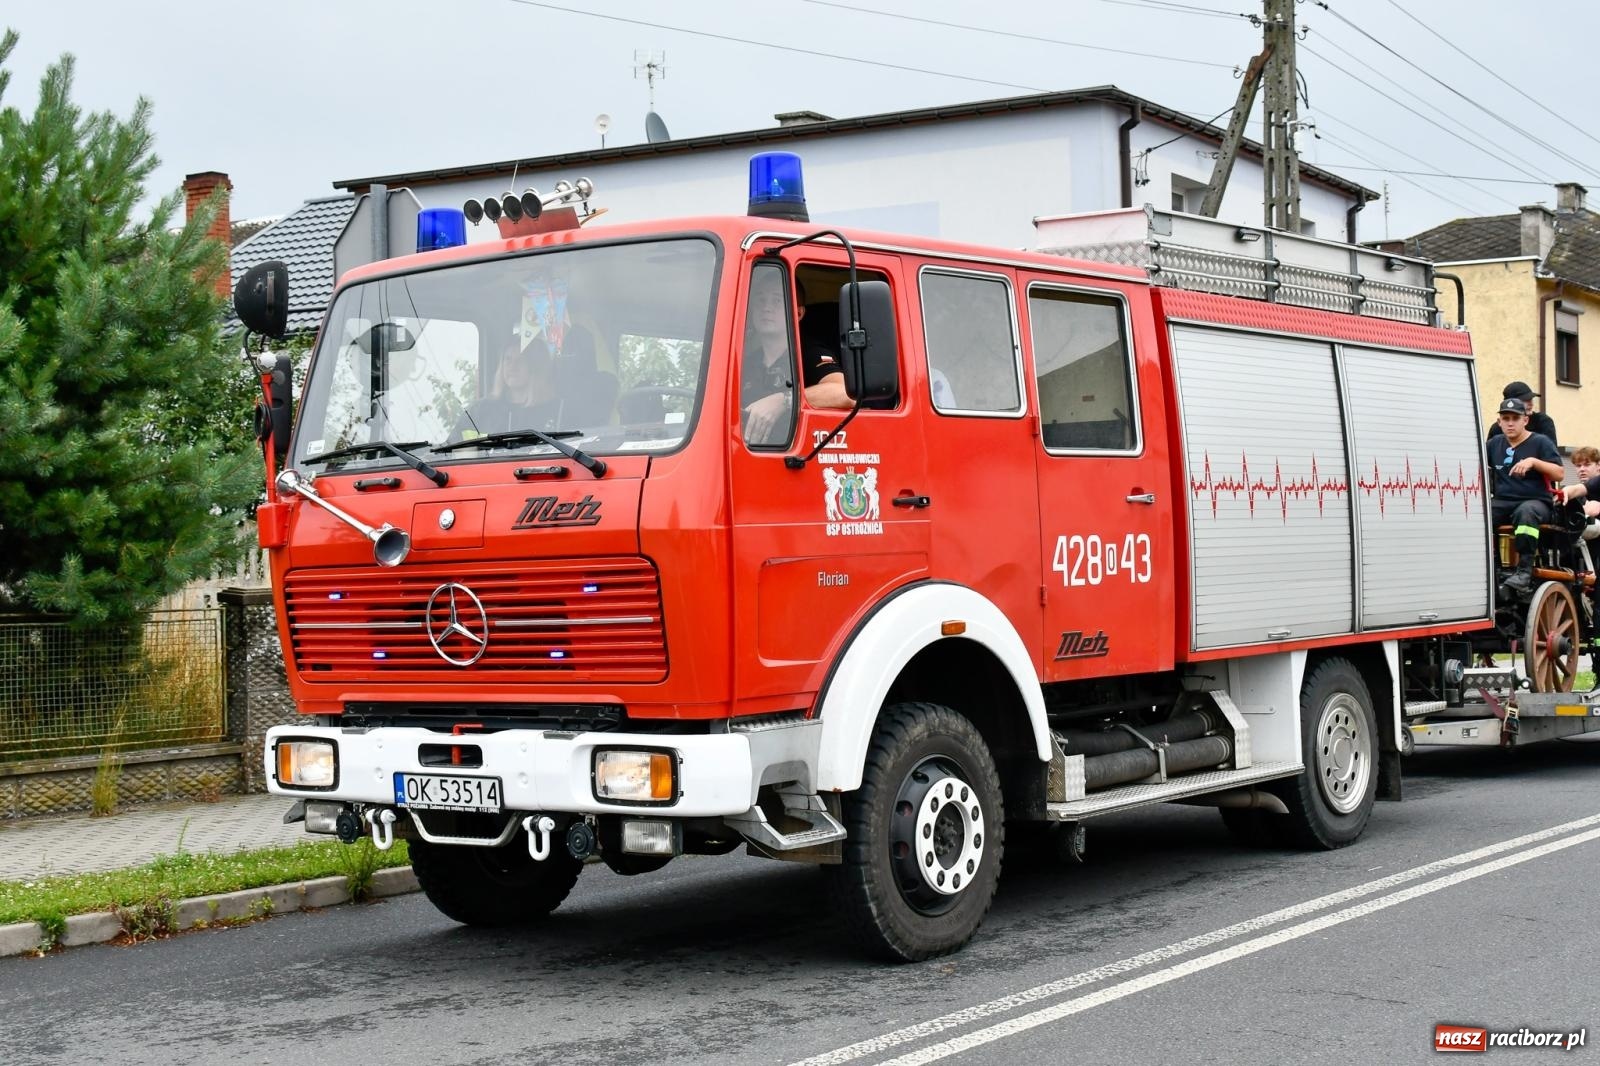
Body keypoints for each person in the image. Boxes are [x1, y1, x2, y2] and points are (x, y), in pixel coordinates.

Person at [741, 274, 851, 445]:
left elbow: (846, 394)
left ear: (798, 313)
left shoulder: (808, 352)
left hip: (797, 458)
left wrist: (785, 400)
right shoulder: (745, 363)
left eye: (777, 301)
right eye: (760, 300)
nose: (766, 308)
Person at [1489, 396, 1564, 592]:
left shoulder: (1540, 442)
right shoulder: (1494, 443)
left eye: (1515, 418)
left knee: (1526, 512)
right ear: (1499, 422)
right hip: (1503, 502)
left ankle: (1524, 570)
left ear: (1525, 420)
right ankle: (1490, 566)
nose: (1510, 423)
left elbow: (1559, 473)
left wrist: (1534, 462)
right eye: (1506, 418)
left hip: (1536, 503)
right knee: (1480, 514)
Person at [458, 336, 560, 436]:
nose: (513, 366)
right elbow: (452, 447)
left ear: (537, 367)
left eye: (521, 359)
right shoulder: (480, 410)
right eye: (508, 359)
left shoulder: (556, 411)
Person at [1486, 380, 1557, 447]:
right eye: (1525, 400)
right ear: (1509, 403)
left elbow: (1551, 455)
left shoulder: (1543, 422)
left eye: (1531, 399)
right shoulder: (1497, 429)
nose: (1531, 404)